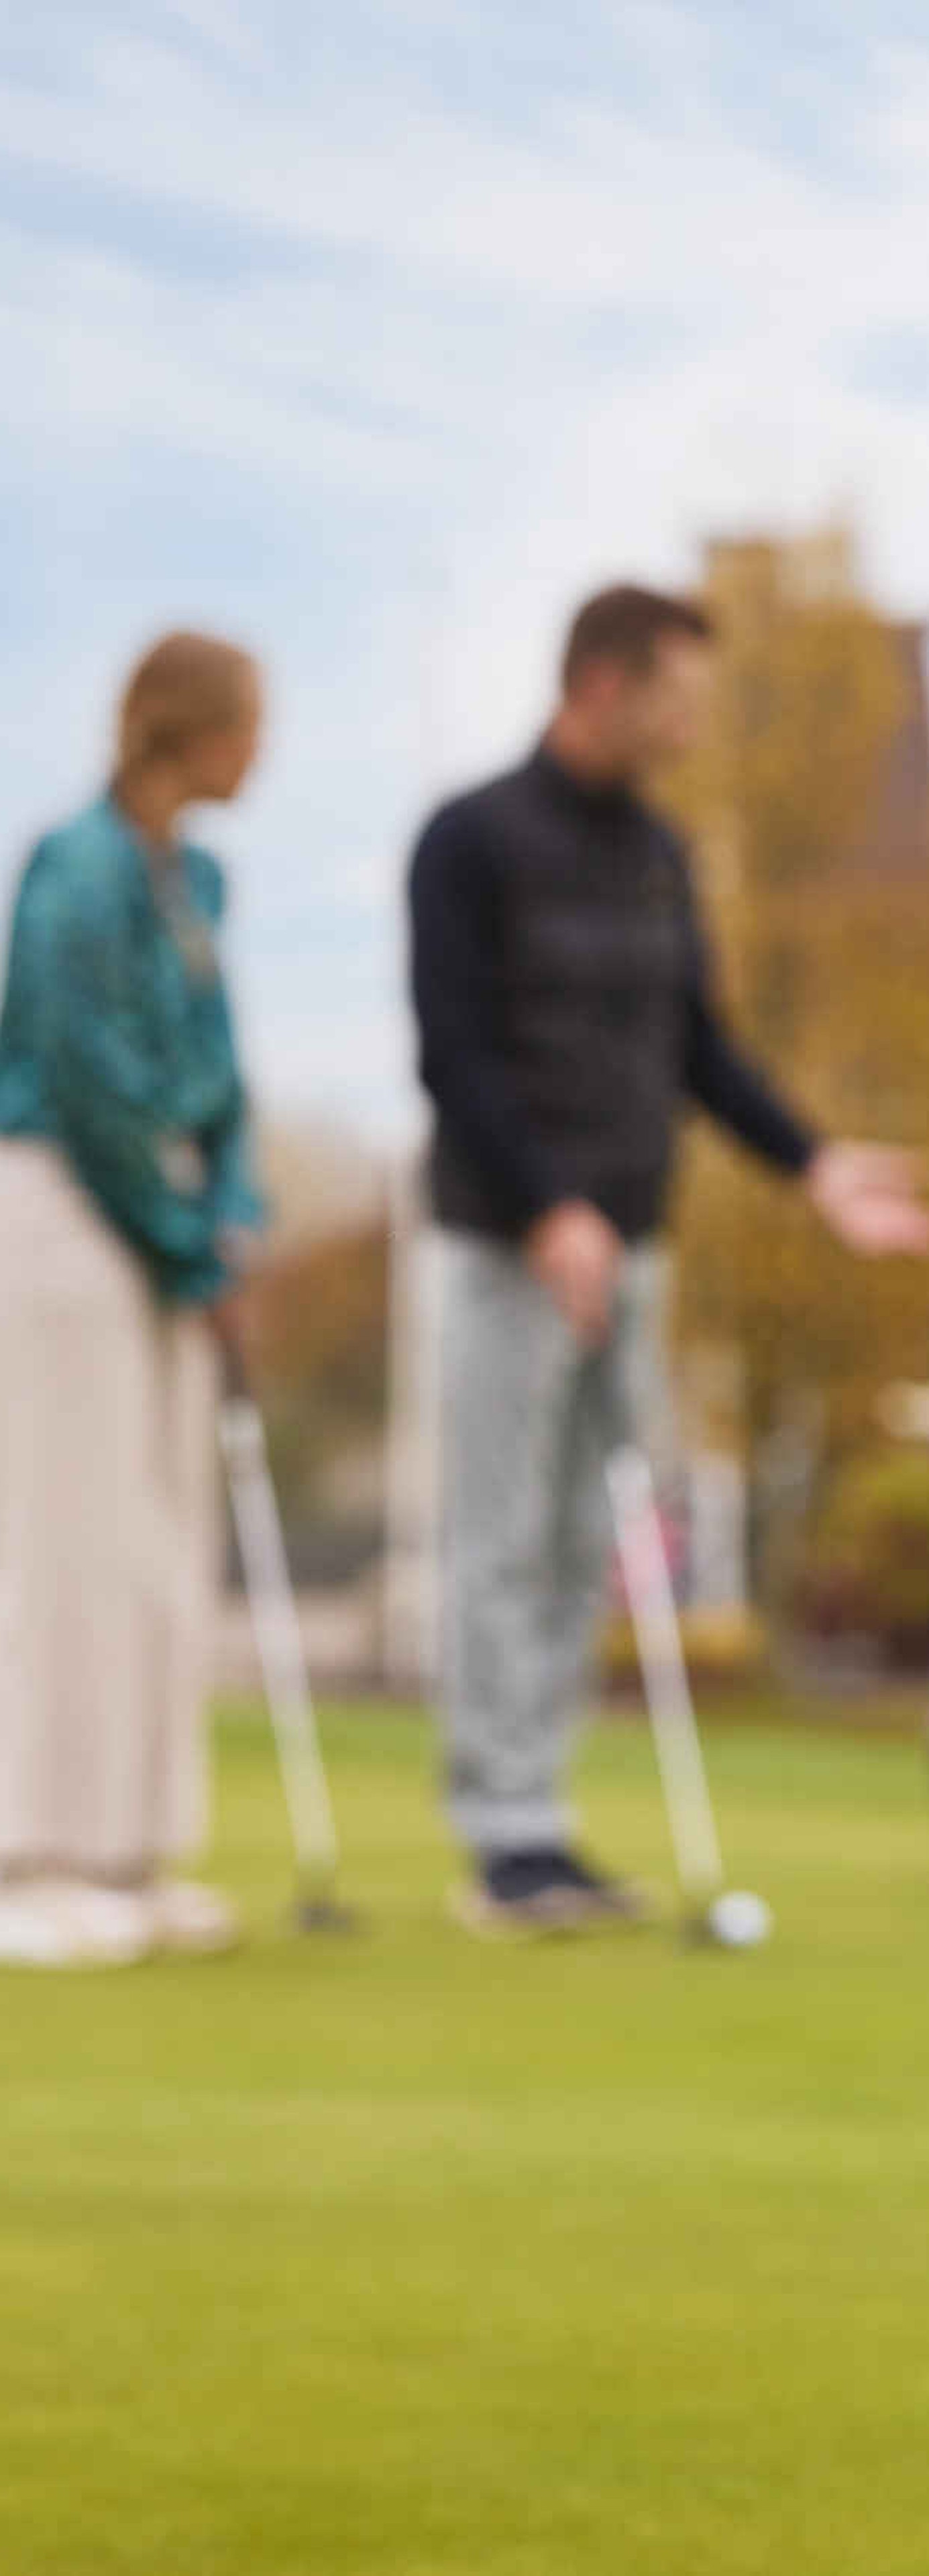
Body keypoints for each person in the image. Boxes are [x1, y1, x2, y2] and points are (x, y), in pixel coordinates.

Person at [408, 584, 929, 1937]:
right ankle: (499, 1836)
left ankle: (541, 1817)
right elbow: (453, 1052)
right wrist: (546, 1209)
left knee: (588, 1537)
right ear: (606, 681)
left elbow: (697, 1047)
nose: (699, 719)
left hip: (630, 1248)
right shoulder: (470, 841)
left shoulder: (655, 850)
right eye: (682, 692)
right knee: (501, 1535)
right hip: (499, 1247)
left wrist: (815, 1166)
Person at [0, 633, 269, 1970]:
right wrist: (181, 1241)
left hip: (165, 1232)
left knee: (159, 1545)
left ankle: (127, 1848)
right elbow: (82, 1070)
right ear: (193, 725)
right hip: (61, 1212)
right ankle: (30, 1856)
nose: (263, 745)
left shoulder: (197, 877)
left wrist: (233, 1215)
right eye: (250, 719)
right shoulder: (75, 864)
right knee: (63, 1540)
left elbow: (220, 1075)